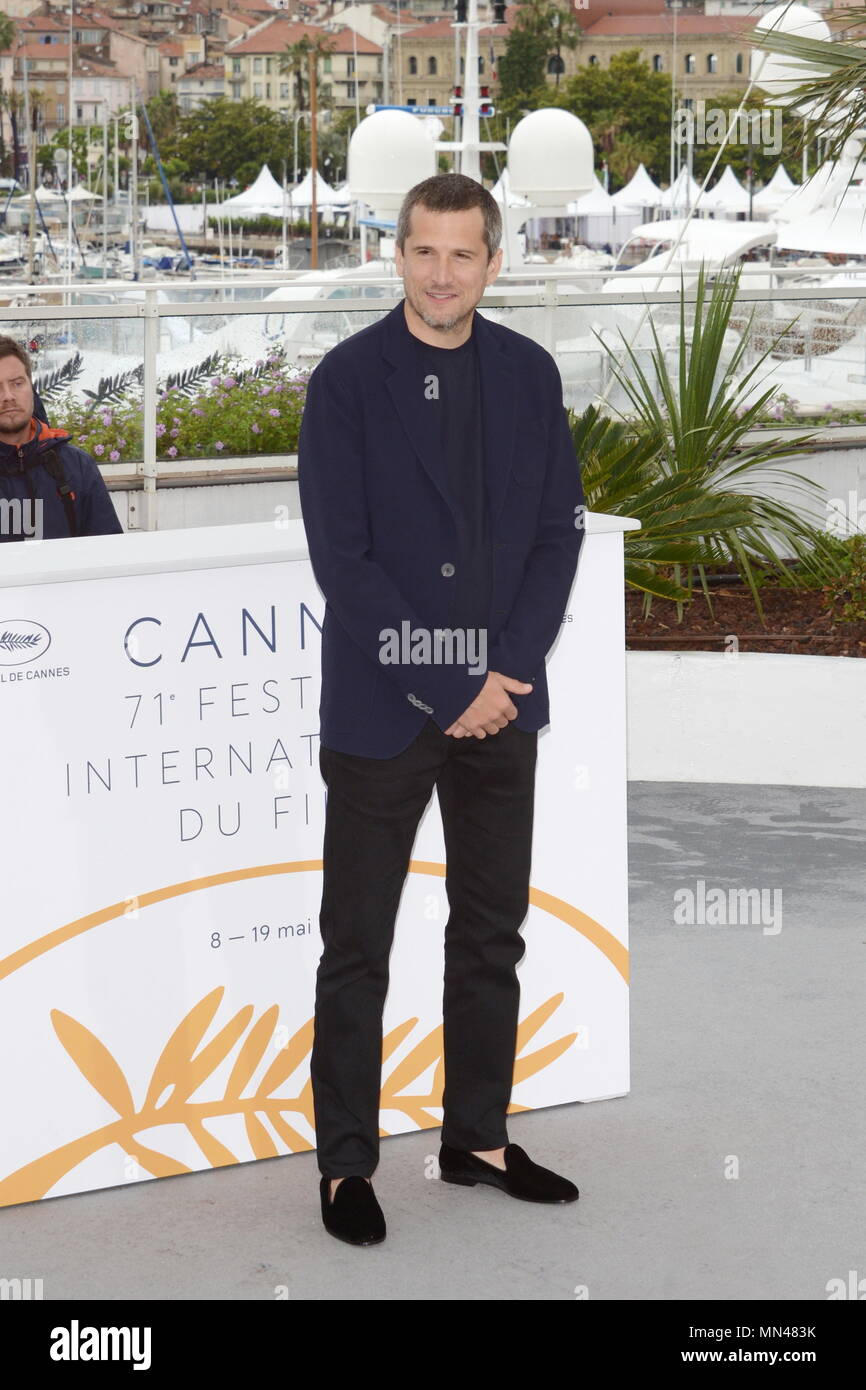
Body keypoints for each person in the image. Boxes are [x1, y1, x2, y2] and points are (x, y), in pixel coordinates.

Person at [298, 172, 586, 1247]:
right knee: (356, 946)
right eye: (424, 251)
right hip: (383, 707)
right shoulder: (346, 382)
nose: (441, 273)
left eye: (463, 254)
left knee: (489, 932)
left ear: (493, 262)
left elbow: (555, 533)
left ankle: (474, 1137)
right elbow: (347, 560)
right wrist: (448, 680)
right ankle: (343, 1165)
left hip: (502, 703)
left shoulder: (526, 374)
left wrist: (500, 672)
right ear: (399, 255)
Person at [0, 336, 123, 543]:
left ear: (32, 387)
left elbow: (108, 553)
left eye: (17, 383)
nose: (8, 396)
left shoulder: (77, 467)